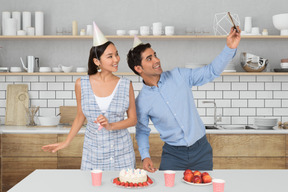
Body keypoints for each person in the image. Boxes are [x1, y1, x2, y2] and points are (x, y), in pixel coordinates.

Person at [127, 27, 241, 172]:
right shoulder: (142, 102)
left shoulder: (179, 75)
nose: (157, 60)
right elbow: (142, 131)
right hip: (173, 155)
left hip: (201, 150)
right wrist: (145, 156)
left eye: (155, 55)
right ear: (138, 69)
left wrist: (230, 48)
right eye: (149, 59)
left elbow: (211, 71)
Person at [42, 22, 136, 171]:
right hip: (93, 155)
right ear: (97, 61)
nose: (116, 59)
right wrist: (66, 142)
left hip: (122, 154)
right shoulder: (81, 84)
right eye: (110, 56)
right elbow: (80, 116)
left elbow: (132, 120)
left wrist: (111, 126)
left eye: (116, 54)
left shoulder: (126, 85)